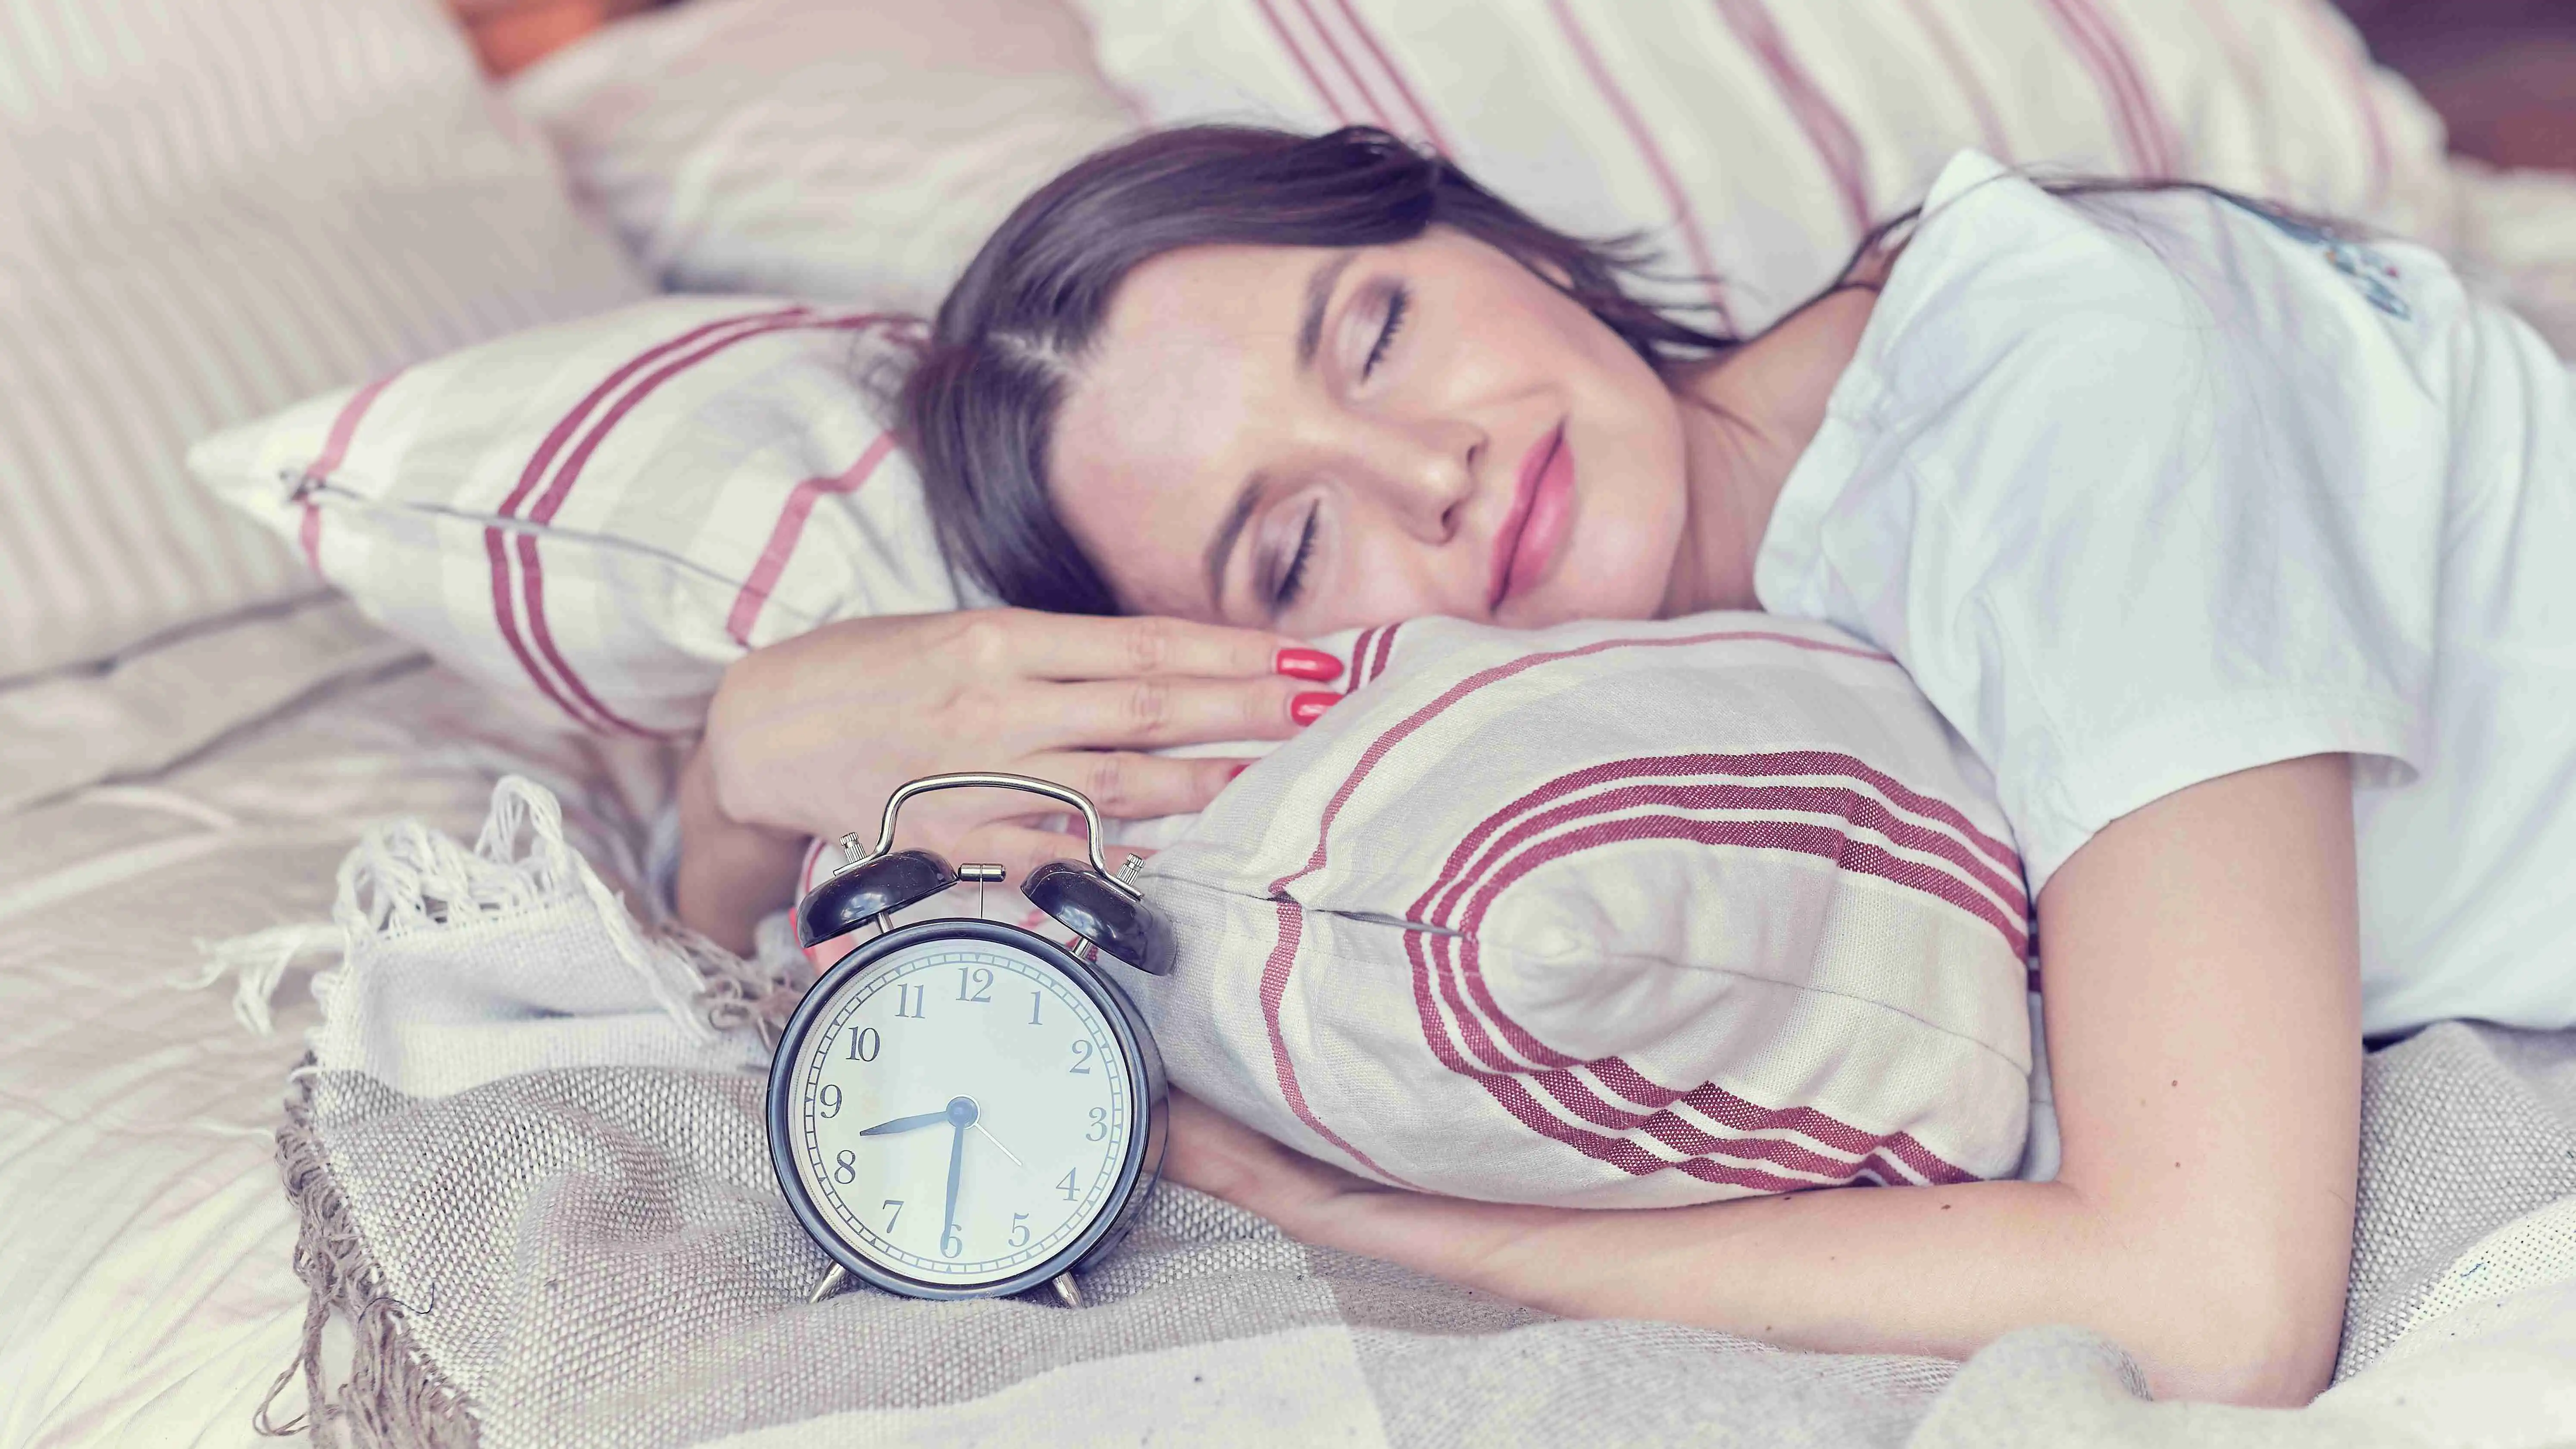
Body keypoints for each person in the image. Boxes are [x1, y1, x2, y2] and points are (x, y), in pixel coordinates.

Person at [679, 125, 2575, 1404]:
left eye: (1381, 331)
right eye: (1292, 549)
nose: (1434, 471)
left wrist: (1373, 1231)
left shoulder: (2063, 392)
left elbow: (2218, 1301)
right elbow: (732, 952)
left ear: (1490, 236)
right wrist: (738, 767)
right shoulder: (1753, 612)